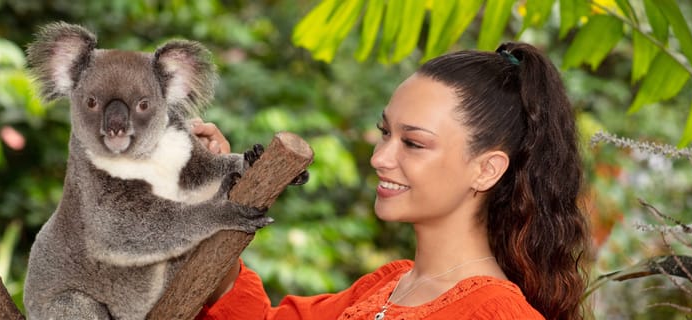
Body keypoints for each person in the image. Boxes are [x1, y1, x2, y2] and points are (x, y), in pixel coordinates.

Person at [190, 42, 590, 320]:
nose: (380, 158)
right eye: (385, 133)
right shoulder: (384, 289)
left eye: (413, 143)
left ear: (486, 169)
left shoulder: (497, 314)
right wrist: (211, 191)